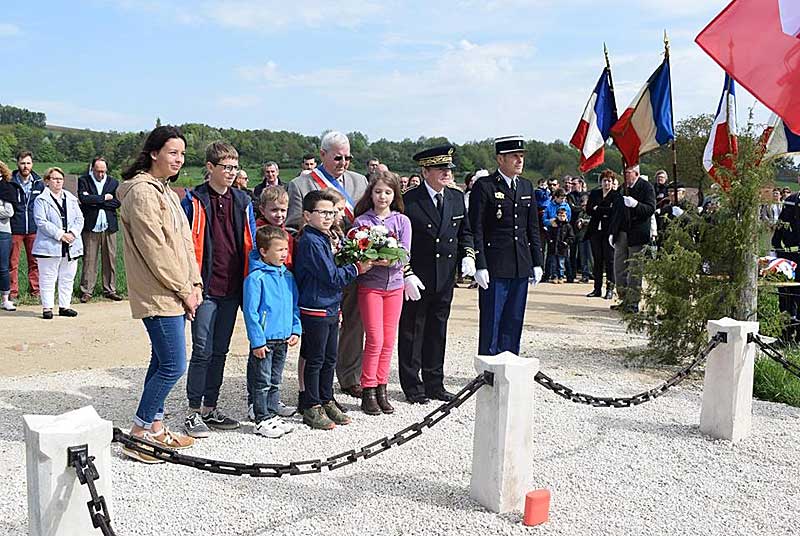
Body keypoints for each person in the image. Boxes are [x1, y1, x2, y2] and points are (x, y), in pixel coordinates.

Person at [117, 125, 201, 462]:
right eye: (172, 152)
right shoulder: (142, 193)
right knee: (174, 365)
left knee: (161, 360)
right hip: (158, 293)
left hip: (176, 291)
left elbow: (184, 244)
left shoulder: (167, 192)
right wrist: (183, 289)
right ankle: (137, 435)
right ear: (154, 153)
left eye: (182, 154)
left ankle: (155, 427)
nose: (179, 159)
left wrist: (194, 285)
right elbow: (156, 252)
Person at [180, 141, 257, 438]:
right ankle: (192, 411)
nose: (231, 172)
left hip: (233, 287)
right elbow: (184, 244)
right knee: (202, 350)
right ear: (210, 167)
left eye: (235, 167)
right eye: (226, 167)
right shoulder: (194, 200)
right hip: (205, 287)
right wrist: (189, 284)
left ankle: (210, 408)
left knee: (221, 351)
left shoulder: (243, 200)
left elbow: (251, 242)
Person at [285, 131, 368, 399]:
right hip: (320, 271)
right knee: (316, 338)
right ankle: (309, 390)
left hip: (352, 268)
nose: (343, 162)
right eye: (337, 157)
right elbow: (293, 226)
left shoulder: (359, 181)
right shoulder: (301, 184)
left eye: (348, 158)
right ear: (322, 155)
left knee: (352, 324)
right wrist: (325, 245)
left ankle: (349, 377)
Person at [399, 145, 475, 403]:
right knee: (412, 331)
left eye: (449, 168)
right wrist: (406, 273)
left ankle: (435, 383)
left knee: (437, 331)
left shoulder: (455, 197)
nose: (447, 173)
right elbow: (399, 241)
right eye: (440, 168)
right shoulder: (409, 200)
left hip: (444, 277)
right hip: (417, 278)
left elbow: (465, 231)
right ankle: (412, 386)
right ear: (425, 172)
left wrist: (468, 255)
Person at [294, 190, 373, 429]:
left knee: (329, 358)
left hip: (329, 305)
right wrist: (357, 268)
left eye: (331, 212)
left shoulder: (324, 237)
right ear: (307, 215)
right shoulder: (310, 240)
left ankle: (326, 399)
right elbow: (330, 276)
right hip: (315, 306)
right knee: (316, 359)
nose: (328, 217)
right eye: (322, 212)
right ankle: (311, 405)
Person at [469, 136, 543, 356]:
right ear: (500, 159)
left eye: (521, 156)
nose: (520, 161)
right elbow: (477, 228)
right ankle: (489, 368)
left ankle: (510, 363)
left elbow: (532, 228)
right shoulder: (485, 186)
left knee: (514, 319)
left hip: (520, 264)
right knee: (492, 320)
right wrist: (480, 264)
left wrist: (537, 262)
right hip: (495, 265)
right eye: (514, 156)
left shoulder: (526, 186)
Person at [352, 171, 411, 414]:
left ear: (395, 195)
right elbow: (356, 251)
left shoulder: (402, 221)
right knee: (374, 339)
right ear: (371, 194)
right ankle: (368, 389)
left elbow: (406, 254)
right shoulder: (362, 222)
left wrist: (392, 260)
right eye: (378, 192)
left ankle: (381, 387)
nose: (382, 197)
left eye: (387, 192)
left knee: (388, 341)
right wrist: (370, 259)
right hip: (371, 287)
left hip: (395, 286)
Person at [243, 225, 301, 438]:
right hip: (265, 341)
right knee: (262, 381)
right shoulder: (255, 278)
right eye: (279, 250)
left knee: (276, 380)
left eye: (286, 249)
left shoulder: (288, 277)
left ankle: (272, 413)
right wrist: (257, 341)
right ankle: (261, 418)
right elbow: (251, 312)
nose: (284, 254)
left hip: (283, 339)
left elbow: (294, 305)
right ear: (264, 251)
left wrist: (295, 328)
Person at [32, 167, 84, 319]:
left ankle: (64, 306)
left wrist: (73, 233)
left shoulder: (71, 198)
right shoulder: (41, 200)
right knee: (48, 277)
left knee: (67, 276)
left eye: (60, 179)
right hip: (49, 245)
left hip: (71, 244)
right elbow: (41, 221)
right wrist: (60, 234)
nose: (58, 182)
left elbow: (79, 218)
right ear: (47, 181)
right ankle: (47, 307)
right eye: (54, 179)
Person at [609, 164, 656, 313]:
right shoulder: (622, 188)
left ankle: (633, 302)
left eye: (628, 172)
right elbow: (616, 212)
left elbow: (650, 209)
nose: (625, 175)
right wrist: (612, 232)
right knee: (619, 268)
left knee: (635, 269)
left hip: (637, 234)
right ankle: (623, 298)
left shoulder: (646, 187)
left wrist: (636, 205)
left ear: (636, 173)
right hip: (622, 233)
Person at [77, 156, 122, 303]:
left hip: (109, 226)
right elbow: (84, 200)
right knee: (89, 259)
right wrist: (103, 198)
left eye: (103, 171)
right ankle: (87, 290)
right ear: (92, 169)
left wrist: (95, 200)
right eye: (98, 171)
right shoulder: (84, 181)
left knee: (110, 258)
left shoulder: (113, 182)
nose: (101, 174)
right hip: (91, 226)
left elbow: (117, 202)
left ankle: (110, 290)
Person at [9, 150, 43, 299]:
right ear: (17, 163)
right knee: (12, 262)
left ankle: (35, 291)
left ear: (32, 164)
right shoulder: (9, 182)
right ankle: (12, 293)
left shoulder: (39, 183)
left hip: (34, 229)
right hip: (15, 228)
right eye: (22, 163)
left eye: (28, 163)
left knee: (35, 261)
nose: (25, 166)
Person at [586, 170, 618, 299]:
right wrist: (603, 210)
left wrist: (598, 209)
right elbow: (589, 209)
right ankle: (597, 288)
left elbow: (613, 211)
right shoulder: (595, 193)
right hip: (595, 231)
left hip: (608, 231)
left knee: (609, 261)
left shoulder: (616, 195)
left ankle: (610, 289)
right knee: (597, 260)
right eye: (605, 181)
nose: (607, 183)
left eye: (609, 181)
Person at [256, 186, 294, 268]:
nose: (279, 215)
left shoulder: (288, 236)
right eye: (274, 210)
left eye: (283, 210)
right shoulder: (257, 235)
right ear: (262, 210)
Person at [0, 160, 17, 311]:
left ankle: (5, 299)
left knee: (3, 267)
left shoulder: (7, 188)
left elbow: (9, 212)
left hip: (3, 232)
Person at [546, 207, 574, 284]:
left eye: (563, 216)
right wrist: (550, 241)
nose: (561, 217)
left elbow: (571, 237)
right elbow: (548, 234)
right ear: (557, 216)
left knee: (561, 264)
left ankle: (561, 276)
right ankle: (555, 276)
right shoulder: (553, 225)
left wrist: (566, 242)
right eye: (560, 215)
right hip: (553, 248)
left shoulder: (568, 226)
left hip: (563, 249)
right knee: (554, 264)